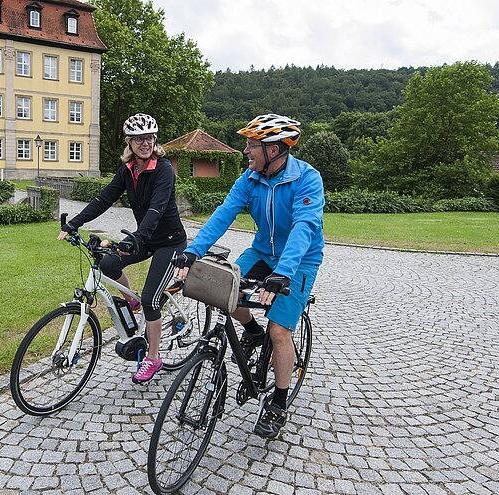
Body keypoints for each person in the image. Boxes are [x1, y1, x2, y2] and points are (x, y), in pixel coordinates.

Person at [173, 113, 324, 439]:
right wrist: (193, 251)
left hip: (299, 261)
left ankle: (278, 402)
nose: (246, 151)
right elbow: (223, 214)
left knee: (280, 330)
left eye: (252, 145)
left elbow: (304, 227)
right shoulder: (249, 179)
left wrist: (283, 273)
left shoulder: (306, 178)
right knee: (225, 293)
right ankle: (252, 332)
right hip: (261, 253)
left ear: (274, 150)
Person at [59, 113, 187, 384]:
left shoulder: (163, 169)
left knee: (153, 298)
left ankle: (153, 358)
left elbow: (157, 208)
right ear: (129, 143)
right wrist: (74, 223)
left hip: (170, 241)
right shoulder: (127, 170)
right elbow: (104, 199)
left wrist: (136, 237)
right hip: (145, 238)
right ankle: (132, 301)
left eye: (150, 137)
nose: (146, 143)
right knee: (108, 263)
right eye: (139, 138)